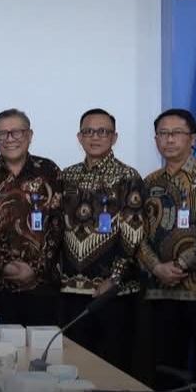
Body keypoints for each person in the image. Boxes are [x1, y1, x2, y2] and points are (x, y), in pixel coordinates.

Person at [138, 109, 196, 387]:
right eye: (163, 134)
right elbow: (138, 234)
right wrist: (156, 267)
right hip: (162, 291)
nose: (169, 139)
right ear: (156, 140)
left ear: (192, 139)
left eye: (176, 133)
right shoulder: (149, 182)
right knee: (165, 372)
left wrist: (181, 264)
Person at [59, 108, 145, 373]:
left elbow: (133, 233)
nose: (95, 137)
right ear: (79, 137)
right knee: (73, 366)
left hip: (112, 293)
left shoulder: (128, 177)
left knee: (112, 367)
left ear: (114, 137)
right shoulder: (66, 176)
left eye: (102, 132)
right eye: (88, 131)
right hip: (71, 290)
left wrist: (115, 278)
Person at [0, 109, 62, 326]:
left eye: (16, 132)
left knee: (41, 345)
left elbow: (57, 226)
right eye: (2, 133)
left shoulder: (49, 171)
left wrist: (36, 269)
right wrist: (4, 265)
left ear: (29, 135)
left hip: (42, 287)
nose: (9, 139)